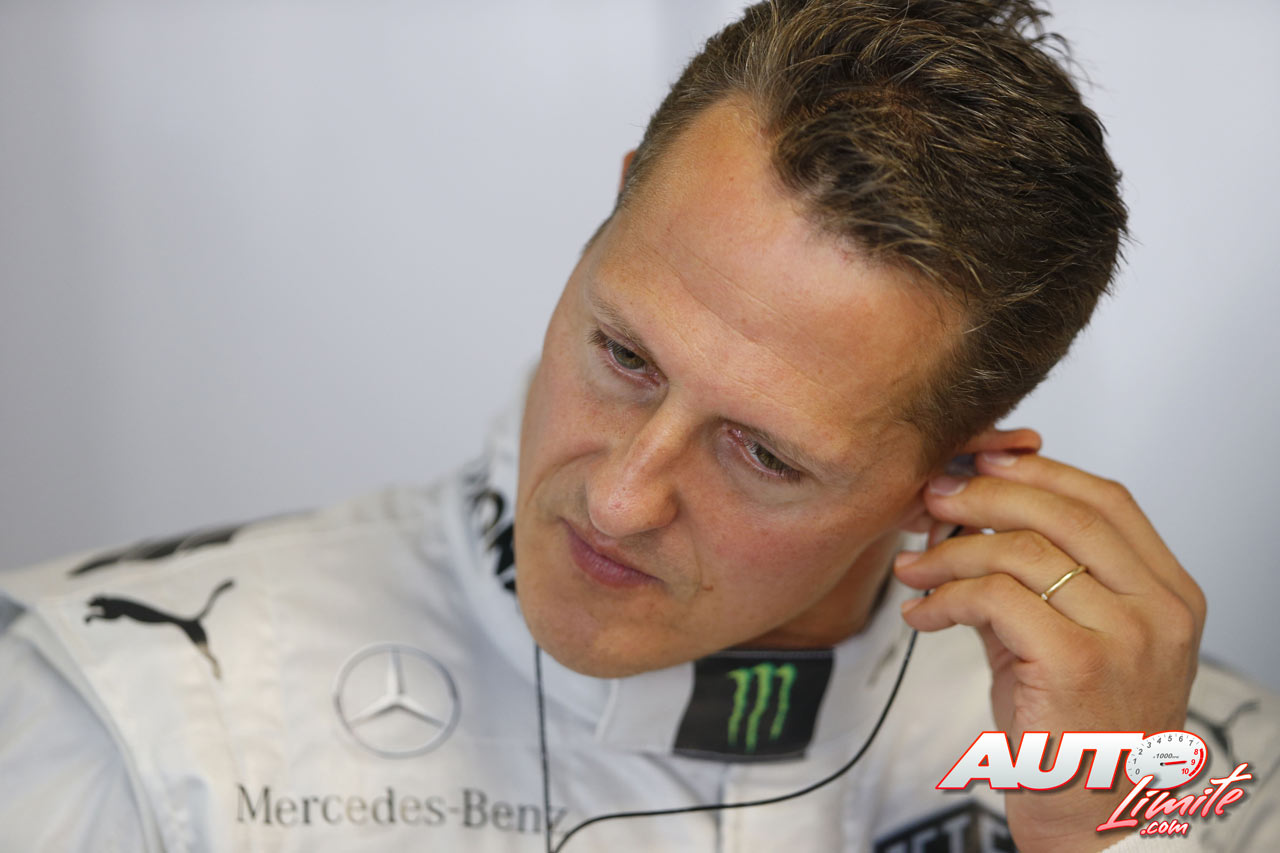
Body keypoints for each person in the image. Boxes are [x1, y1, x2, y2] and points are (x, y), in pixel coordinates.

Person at [1, 1, 1276, 851]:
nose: (618, 498)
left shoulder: (1200, 775)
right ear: (609, 215)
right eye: (623, 356)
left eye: (762, 452)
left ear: (953, 463)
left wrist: (1103, 837)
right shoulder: (123, 710)